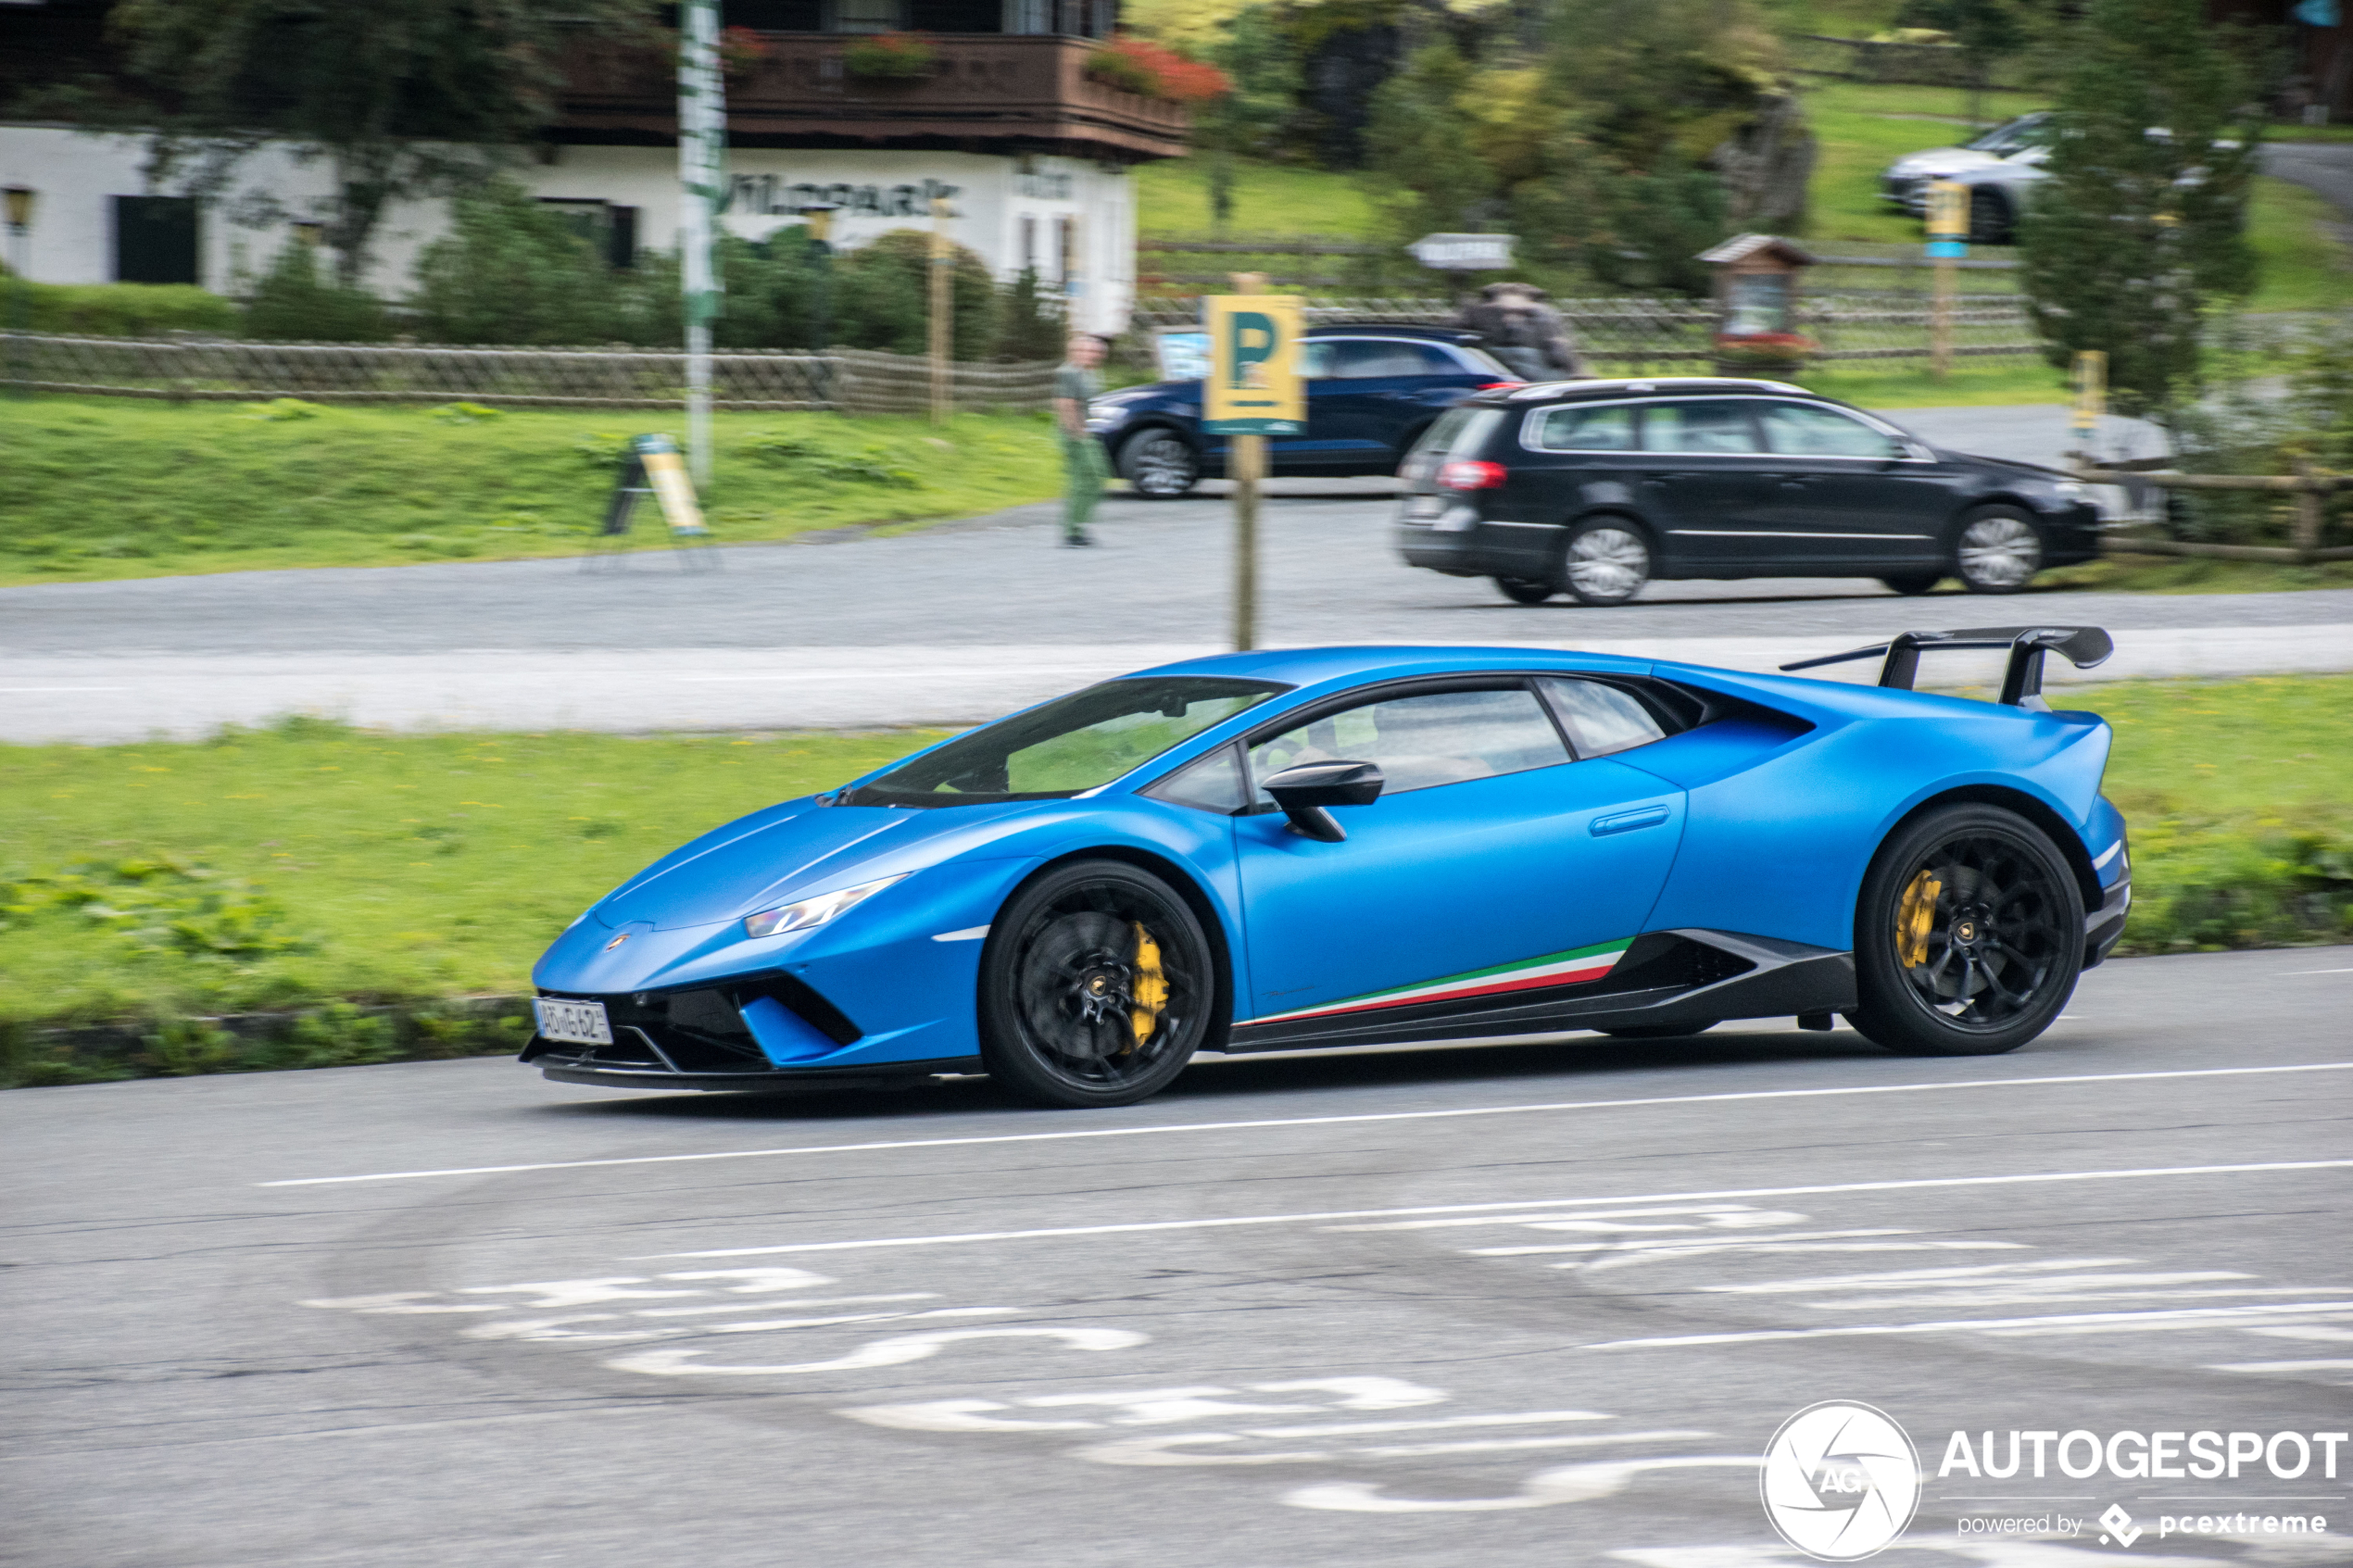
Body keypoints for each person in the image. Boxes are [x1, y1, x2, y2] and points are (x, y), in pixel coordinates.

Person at [1457, 282, 1588, 381]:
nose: (1510, 320)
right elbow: (1559, 350)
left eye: (1520, 313)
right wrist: (1575, 371)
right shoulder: (1545, 313)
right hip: (1536, 370)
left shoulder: (1475, 311)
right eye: (1507, 313)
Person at [1052, 332, 1111, 547]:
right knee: (1083, 479)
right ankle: (1073, 531)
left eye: (1094, 351)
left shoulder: (1087, 372)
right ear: (1074, 351)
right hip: (1074, 433)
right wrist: (1077, 432)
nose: (1090, 354)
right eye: (1084, 350)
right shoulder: (1069, 372)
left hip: (1086, 431)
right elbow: (1065, 404)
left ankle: (1078, 525)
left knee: (1098, 475)